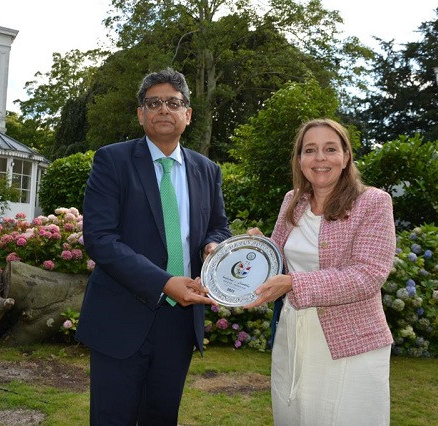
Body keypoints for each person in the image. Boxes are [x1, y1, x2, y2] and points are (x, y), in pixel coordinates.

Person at [76, 68, 232, 425]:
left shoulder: (207, 170)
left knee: (162, 417)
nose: (164, 109)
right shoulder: (111, 161)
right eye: (154, 102)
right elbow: (100, 239)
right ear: (141, 114)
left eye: (173, 103)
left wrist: (212, 246)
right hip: (120, 318)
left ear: (187, 114)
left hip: (179, 322)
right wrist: (164, 281)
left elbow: (218, 227)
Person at [245, 118, 396, 425]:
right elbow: (279, 261)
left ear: (346, 156)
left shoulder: (373, 203)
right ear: (300, 160)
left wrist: (293, 283)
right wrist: (257, 252)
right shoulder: (293, 201)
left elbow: (367, 276)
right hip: (294, 334)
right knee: (294, 416)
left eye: (330, 149)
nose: (320, 158)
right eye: (310, 150)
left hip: (350, 341)